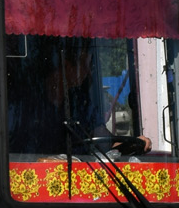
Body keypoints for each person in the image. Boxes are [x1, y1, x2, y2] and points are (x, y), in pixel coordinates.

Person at [8, 39, 150, 157]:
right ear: (66, 64)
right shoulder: (24, 104)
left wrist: (133, 143)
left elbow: (106, 142)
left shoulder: (80, 102)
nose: (88, 72)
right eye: (84, 64)